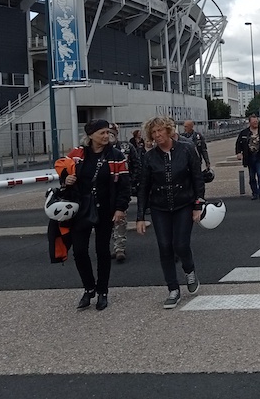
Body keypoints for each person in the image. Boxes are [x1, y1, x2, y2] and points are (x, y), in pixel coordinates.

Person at [136, 116, 205, 309]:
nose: (157, 135)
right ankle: (173, 289)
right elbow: (143, 187)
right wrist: (140, 216)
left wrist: (198, 205)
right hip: (159, 207)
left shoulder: (187, 149)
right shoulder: (149, 157)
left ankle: (189, 270)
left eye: (160, 130)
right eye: (153, 132)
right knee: (164, 246)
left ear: (168, 130)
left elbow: (197, 178)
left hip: (184, 203)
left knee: (181, 244)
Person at [63, 119, 131, 311]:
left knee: (102, 251)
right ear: (90, 135)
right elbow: (62, 170)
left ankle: (102, 291)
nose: (106, 136)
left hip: (105, 208)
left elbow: (124, 185)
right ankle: (89, 288)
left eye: (107, 132)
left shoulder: (116, 156)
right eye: (102, 133)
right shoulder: (77, 154)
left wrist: (120, 208)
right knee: (79, 250)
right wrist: (66, 179)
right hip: (81, 209)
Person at [109, 122, 142, 263]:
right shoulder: (98, 151)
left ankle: (119, 248)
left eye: (112, 132)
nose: (109, 135)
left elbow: (136, 164)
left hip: (121, 188)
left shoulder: (126, 147)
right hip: (104, 190)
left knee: (120, 218)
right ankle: (112, 244)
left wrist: (131, 182)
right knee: (106, 220)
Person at [235, 114, 260, 201]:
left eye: (256, 121)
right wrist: (238, 153)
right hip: (249, 157)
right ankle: (255, 193)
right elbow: (238, 143)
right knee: (252, 177)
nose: (255, 123)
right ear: (250, 122)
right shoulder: (244, 133)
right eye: (254, 121)